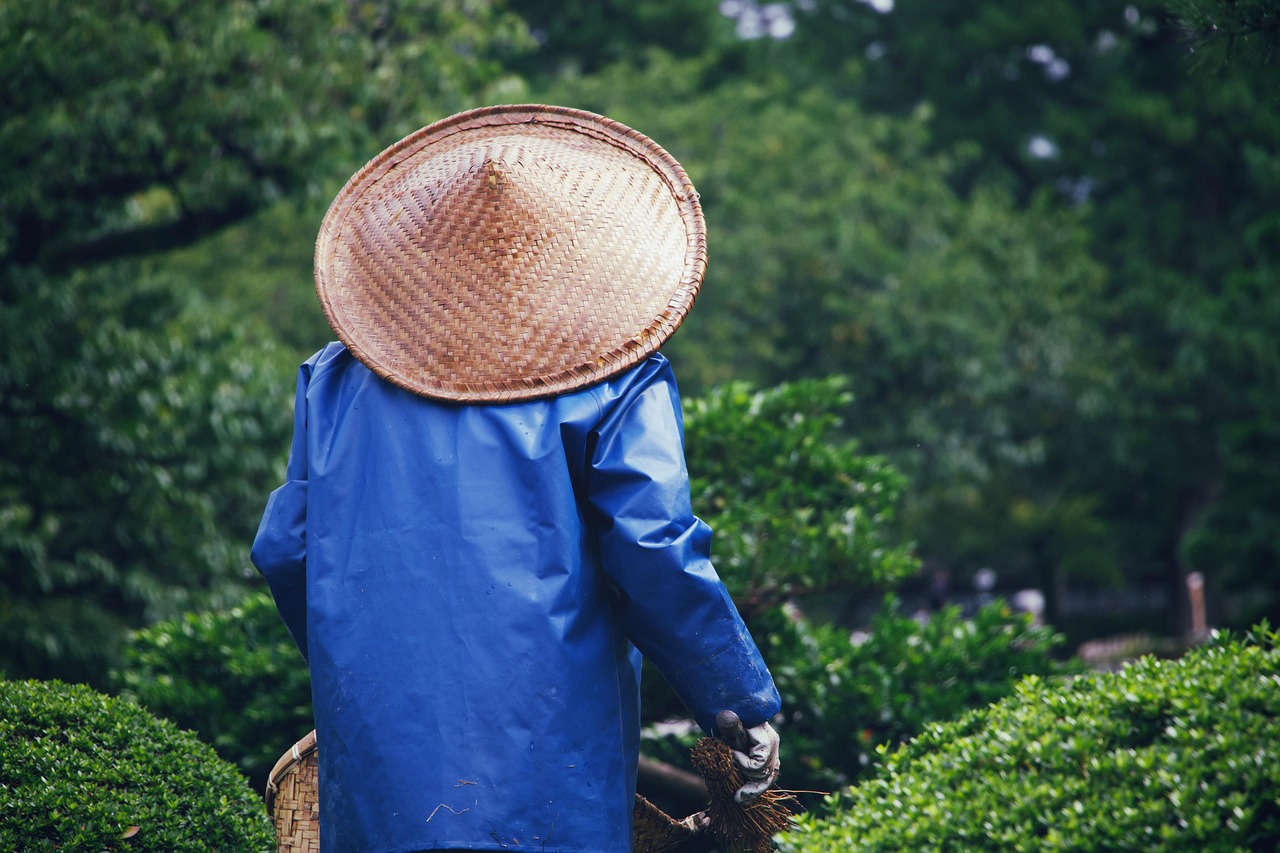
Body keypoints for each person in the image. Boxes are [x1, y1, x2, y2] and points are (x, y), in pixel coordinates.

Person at [251, 104, 781, 853]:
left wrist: (369, 661)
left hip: (380, 766)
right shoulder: (614, 379)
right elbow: (653, 542)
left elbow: (285, 547)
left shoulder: (335, 379)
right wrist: (735, 699)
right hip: (549, 760)